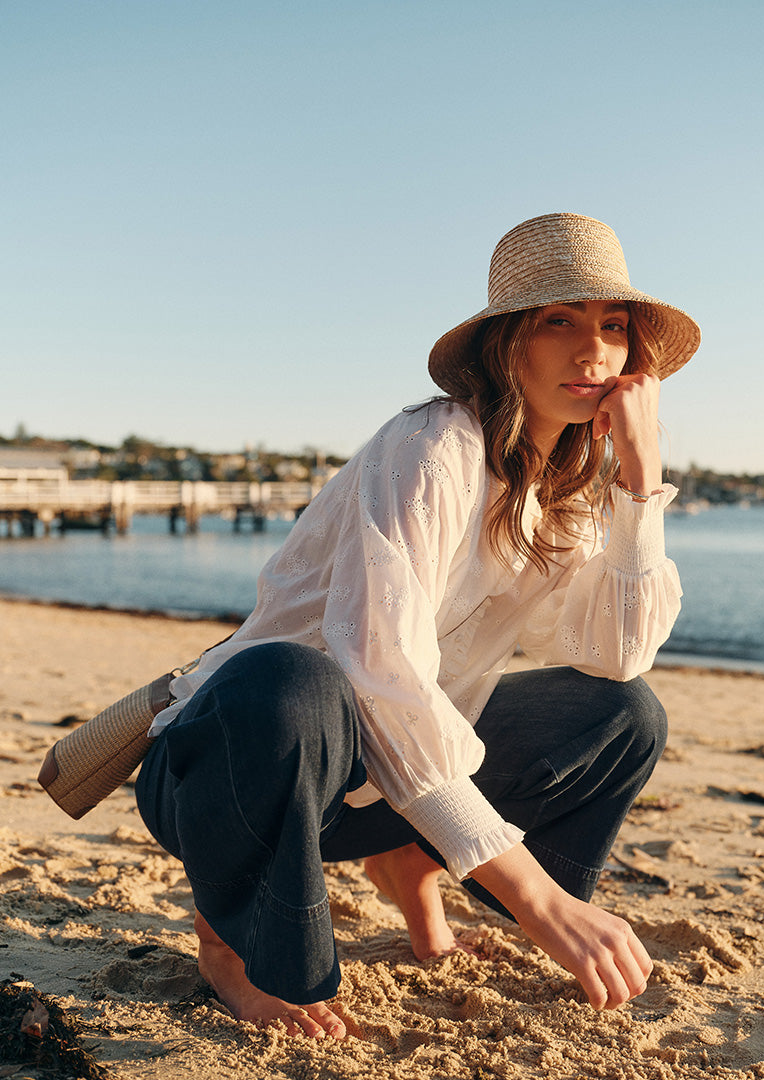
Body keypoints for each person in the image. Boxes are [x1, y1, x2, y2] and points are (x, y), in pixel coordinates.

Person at [135, 212, 700, 1041]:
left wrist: (640, 484)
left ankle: (412, 864)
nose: (592, 353)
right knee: (298, 682)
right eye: (559, 322)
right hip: (238, 766)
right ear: (509, 343)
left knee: (624, 715)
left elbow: (619, 657)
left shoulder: (565, 499)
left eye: (612, 328)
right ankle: (230, 946)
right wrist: (536, 896)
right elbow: (378, 670)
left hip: (370, 787)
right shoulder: (431, 447)